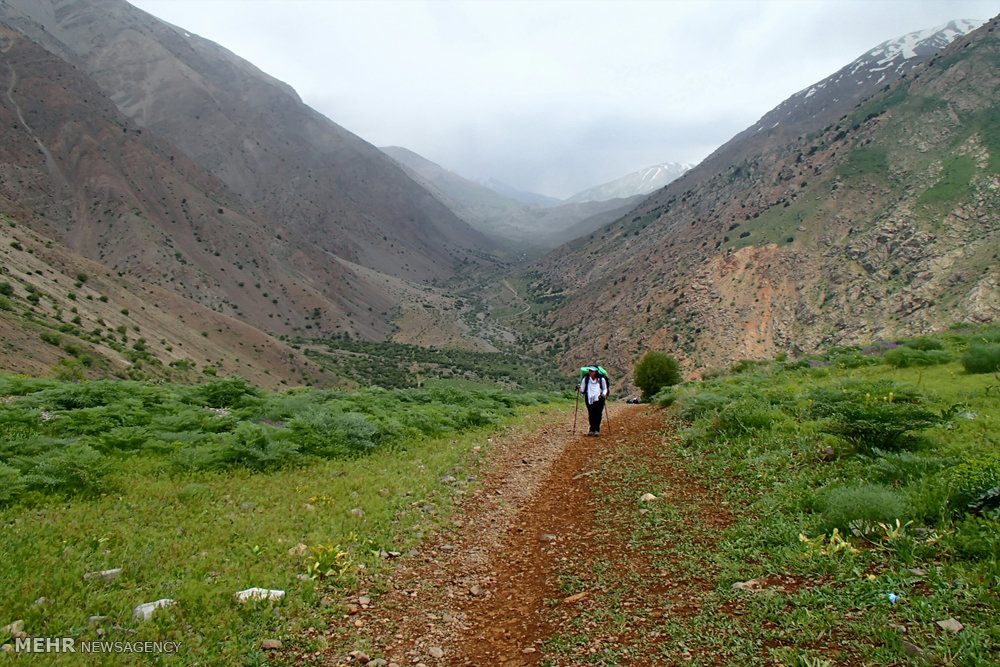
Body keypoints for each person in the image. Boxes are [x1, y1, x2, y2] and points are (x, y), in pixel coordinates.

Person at [579, 366, 608, 436]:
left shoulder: (601, 379)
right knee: (591, 413)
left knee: (598, 413)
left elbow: (605, 389)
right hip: (589, 398)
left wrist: (604, 394)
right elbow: (582, 389)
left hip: (600, 398)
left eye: (592, 371)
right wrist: (579, 388)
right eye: (589, 371)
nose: (590, 372)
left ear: (596, 372)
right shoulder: (586, 379)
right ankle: (592, 429)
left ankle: (596, 430)